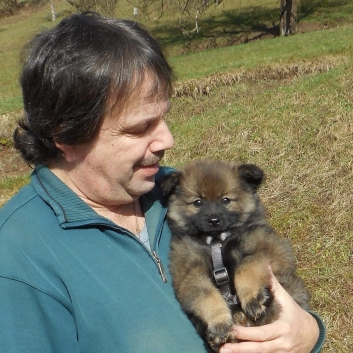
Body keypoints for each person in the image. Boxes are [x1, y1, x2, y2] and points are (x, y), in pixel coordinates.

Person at [0, 12, 325, 353]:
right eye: (139, 128)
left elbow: (276, 276)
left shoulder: (172, 190)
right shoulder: (19, 260)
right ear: (65, 134)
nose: (167, 139)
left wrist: (307, 334)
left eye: (163, 117)